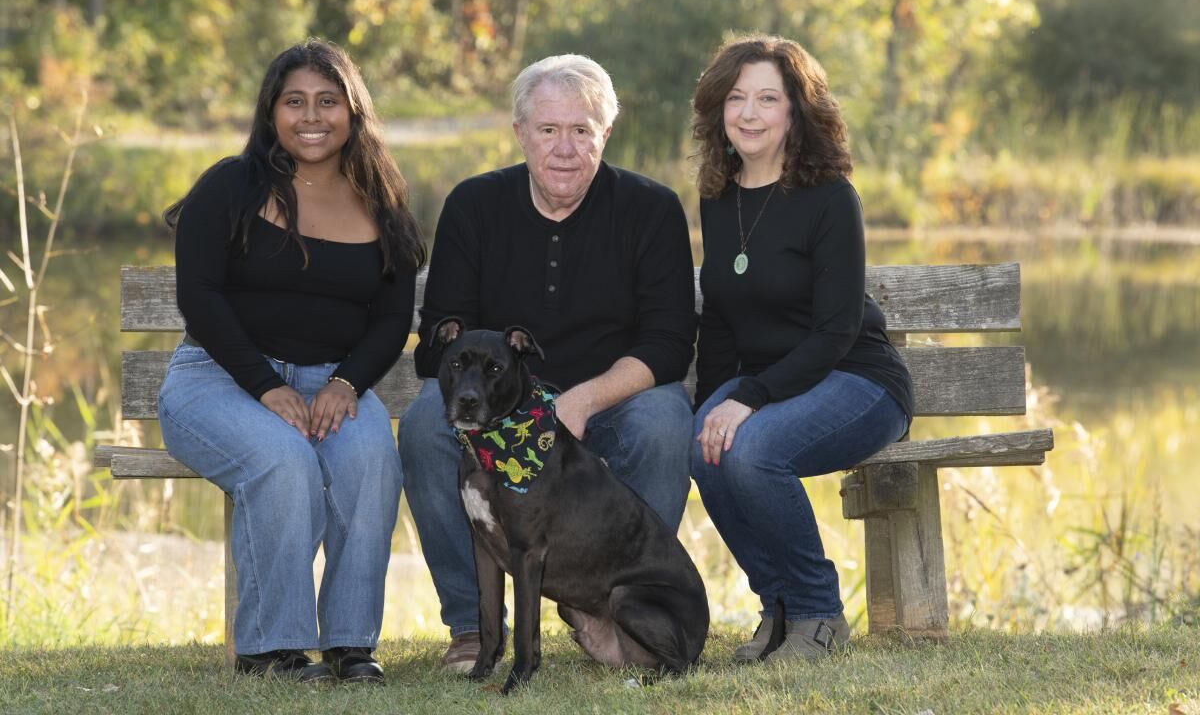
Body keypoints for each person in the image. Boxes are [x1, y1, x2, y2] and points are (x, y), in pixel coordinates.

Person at [398, 54, 697, 672]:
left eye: (582, 130)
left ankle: (616, 606)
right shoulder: (475, 206)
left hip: (614, 399)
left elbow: (668, 343)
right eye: (549, 130)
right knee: (428, 424)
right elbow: (436, 349)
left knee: (664, 422)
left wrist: (581, 403)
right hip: (506, 403)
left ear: (605, 134)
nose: (565, 148)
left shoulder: (652, 208)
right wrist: (515, 404)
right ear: (520, 133)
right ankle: (472, 628)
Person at [157, 39, 425, 684]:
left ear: (353, 112)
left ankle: (350, 645)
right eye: (295, 101)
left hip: (331, 384)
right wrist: (263, 384)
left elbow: (392, 318)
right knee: (282, 461)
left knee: (370, 461)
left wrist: (346, 381)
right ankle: (272, 649)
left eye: (328, 102)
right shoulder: (232, 184)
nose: (312, 117)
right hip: (218, 381)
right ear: (271, 111)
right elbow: (199, 296)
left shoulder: (380, 198)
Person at [689, 34, 915, 662]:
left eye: (768, 98)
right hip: (779, 381)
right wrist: (712, 405)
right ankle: (780, 607)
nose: (751, 114)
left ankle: (820, 614)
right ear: (718, 110)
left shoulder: (829, 197)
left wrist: (749, 400)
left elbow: (837, 330)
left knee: (753, 450)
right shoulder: (719, 194)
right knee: (703, 447)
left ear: (796, 110)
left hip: (859, 382)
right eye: (737, 98)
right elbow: (724, 323)